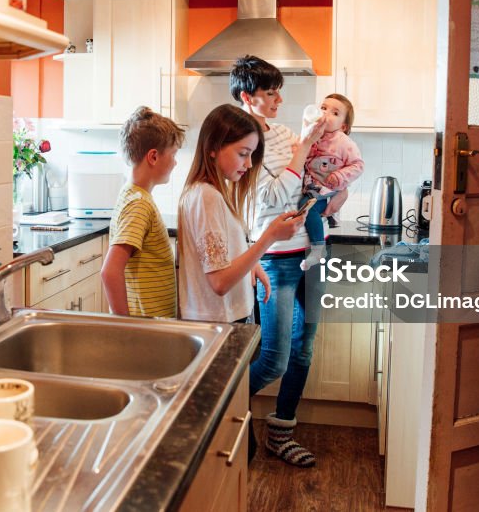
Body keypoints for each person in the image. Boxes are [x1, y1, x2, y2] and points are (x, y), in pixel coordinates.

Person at [230, 55, 326, 468]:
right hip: (275, 260)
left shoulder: (286, 133)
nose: (279, 100)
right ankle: (221, 408)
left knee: (303, 352)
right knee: (274, 357)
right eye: (270, 93)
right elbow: (268, 198)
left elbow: (299, 182)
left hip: (310, 253)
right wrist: (302, 149)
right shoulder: (242, 142)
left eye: (278, 91)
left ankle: (280, 433)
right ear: (247, 97)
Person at [177, 104, 301, 323]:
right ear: (213, 147)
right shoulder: (207, 197)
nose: (249, 163)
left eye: (252, 155)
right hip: (218, 322)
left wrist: (252, 263)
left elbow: (221, 258)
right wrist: (269, 237)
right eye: (243, 153)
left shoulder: (212, 192)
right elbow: (220, 282)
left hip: (222, 318)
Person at [101, 106, 185, 318]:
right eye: (173, 154)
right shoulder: (139, 203)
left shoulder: (135, 196)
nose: (175, 162)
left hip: (151, 324)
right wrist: (128, 327)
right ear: (153, 157)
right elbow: (110, 271)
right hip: (145, 327)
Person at [298, 94, 365, 270]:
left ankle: (318, 249)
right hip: (313, 187)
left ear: (343, 126)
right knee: (306, 205)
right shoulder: (313, 135)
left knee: (307, 206)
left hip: (329, 189)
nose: (326, 114)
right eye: (324, 108)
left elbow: (358, 165)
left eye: (335, 113)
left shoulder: (344, 142)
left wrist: (339, 178)